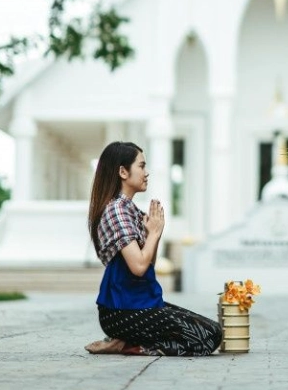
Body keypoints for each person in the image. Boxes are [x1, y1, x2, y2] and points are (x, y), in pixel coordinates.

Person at [85, 141, 222, 356]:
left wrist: (153, 235)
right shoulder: (116, 211)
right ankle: (128, 344)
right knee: (206, 338)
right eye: (141, 166)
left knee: (212, 330)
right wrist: (155, 233)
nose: (146, 173)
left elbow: (149, 264)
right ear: (123, 171)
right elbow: (138, 267)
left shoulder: (131, 210)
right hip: (122, 311)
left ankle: (124, 341)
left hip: (141, 303)